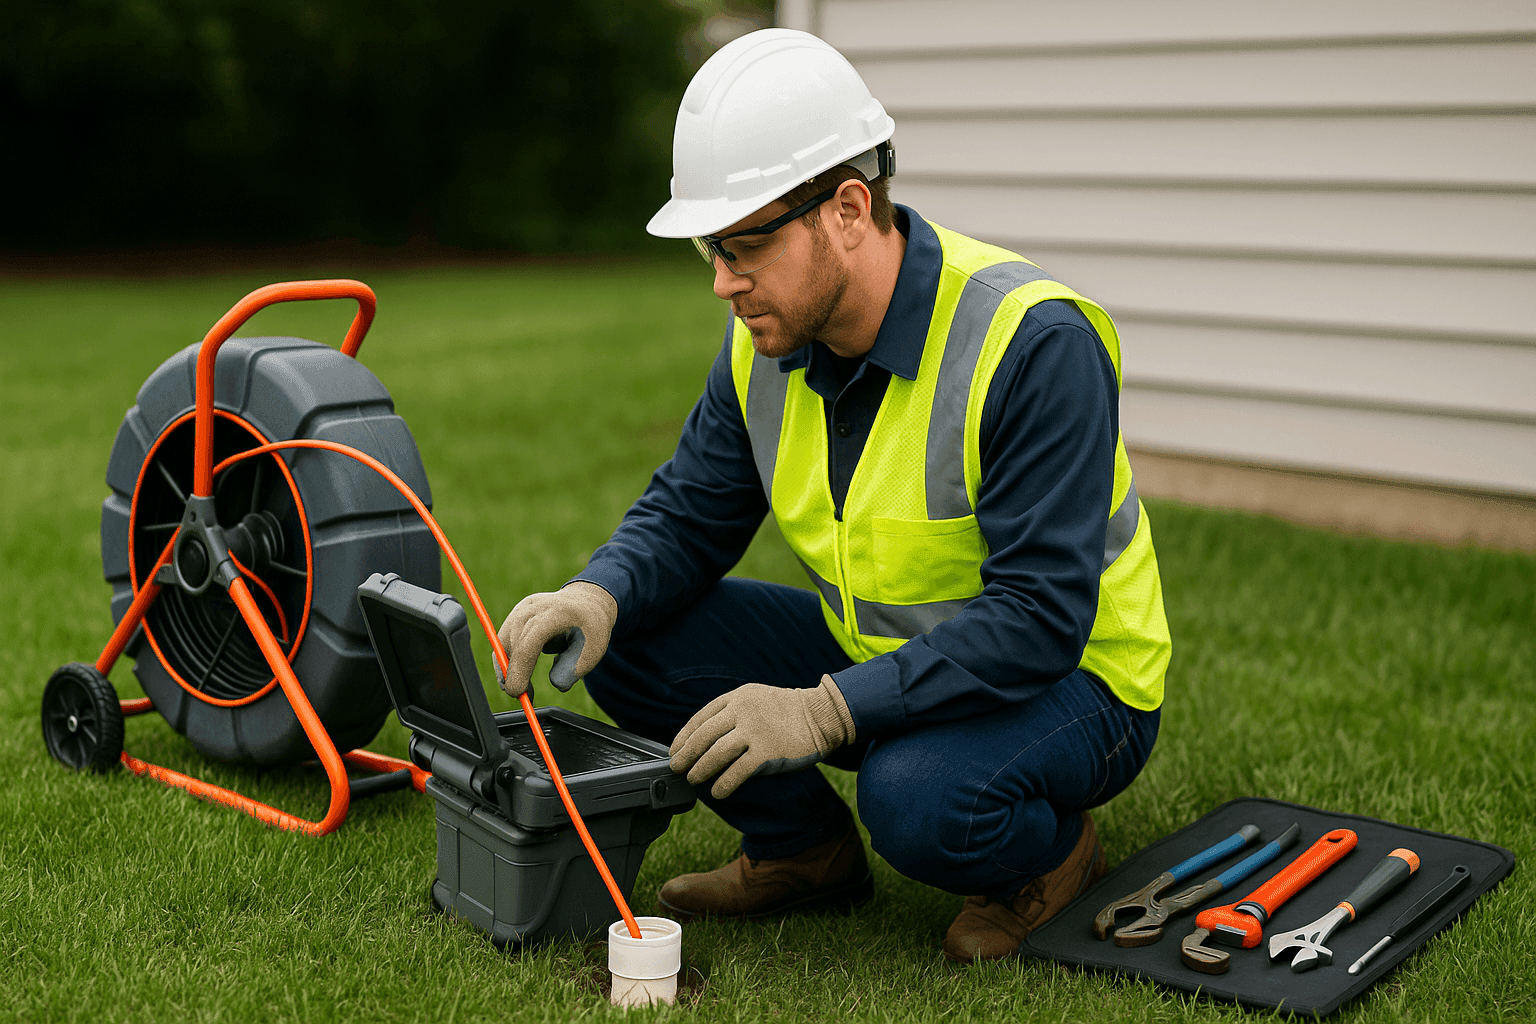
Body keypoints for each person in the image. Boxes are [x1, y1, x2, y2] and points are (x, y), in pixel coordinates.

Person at [496, 28, 1172, 962]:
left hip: (1078, 681)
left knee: (917, 796)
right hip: (883, 652)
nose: (725, 283)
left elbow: (1039, 618)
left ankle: (1051, 862)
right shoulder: (764, 343)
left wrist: (822, 711)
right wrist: (595, 592)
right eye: (711, 250)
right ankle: (803, 851)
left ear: (848, 209)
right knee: (628, 639)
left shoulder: (1033, 344)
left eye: (747, 245)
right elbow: (690, 513)